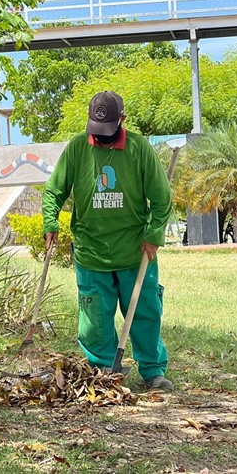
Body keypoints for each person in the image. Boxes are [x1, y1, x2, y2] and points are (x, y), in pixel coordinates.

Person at [42, 91, 173, 391]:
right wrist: (51, 221)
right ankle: (104, 370)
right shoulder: (77, 148)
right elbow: (54, 191)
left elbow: (162, 199)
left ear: (122, 120)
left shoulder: (139, 149)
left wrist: (154, 235)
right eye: (95, 131)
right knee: (94, 320)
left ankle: (152, 371)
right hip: (91, 253)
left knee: (144, 313)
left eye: (107, 130)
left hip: (134, 252)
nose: (100, 138)